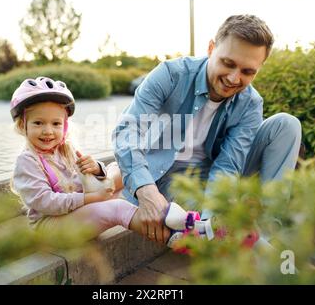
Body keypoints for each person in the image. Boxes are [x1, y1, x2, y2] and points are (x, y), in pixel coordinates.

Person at [113, 14, 302, 245]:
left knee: (286, 124)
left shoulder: (251, 103)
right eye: (228, 63)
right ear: (212, 48)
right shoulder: (171, 75)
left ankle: (269, 230)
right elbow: (126, 131)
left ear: (259, 68)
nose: (234, 78)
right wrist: (146, 191)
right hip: (169, 176)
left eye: (247, 72)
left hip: (216, 174)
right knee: (219, 229)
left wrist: (216, 209)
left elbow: (228, 164)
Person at [10, 76, 145, 237]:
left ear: (65, 126)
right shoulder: (27, 160)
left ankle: (162, 212)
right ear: (22, 125)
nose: (48, 131)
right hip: (51, 226)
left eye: (56, 123)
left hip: (77, 211)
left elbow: (88, 181)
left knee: (120, 168)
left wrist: (95, 169)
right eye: (38, 123)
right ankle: (168, 232)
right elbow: (47, 202)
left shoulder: (66, 150)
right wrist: (92, 198)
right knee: (117, 208)